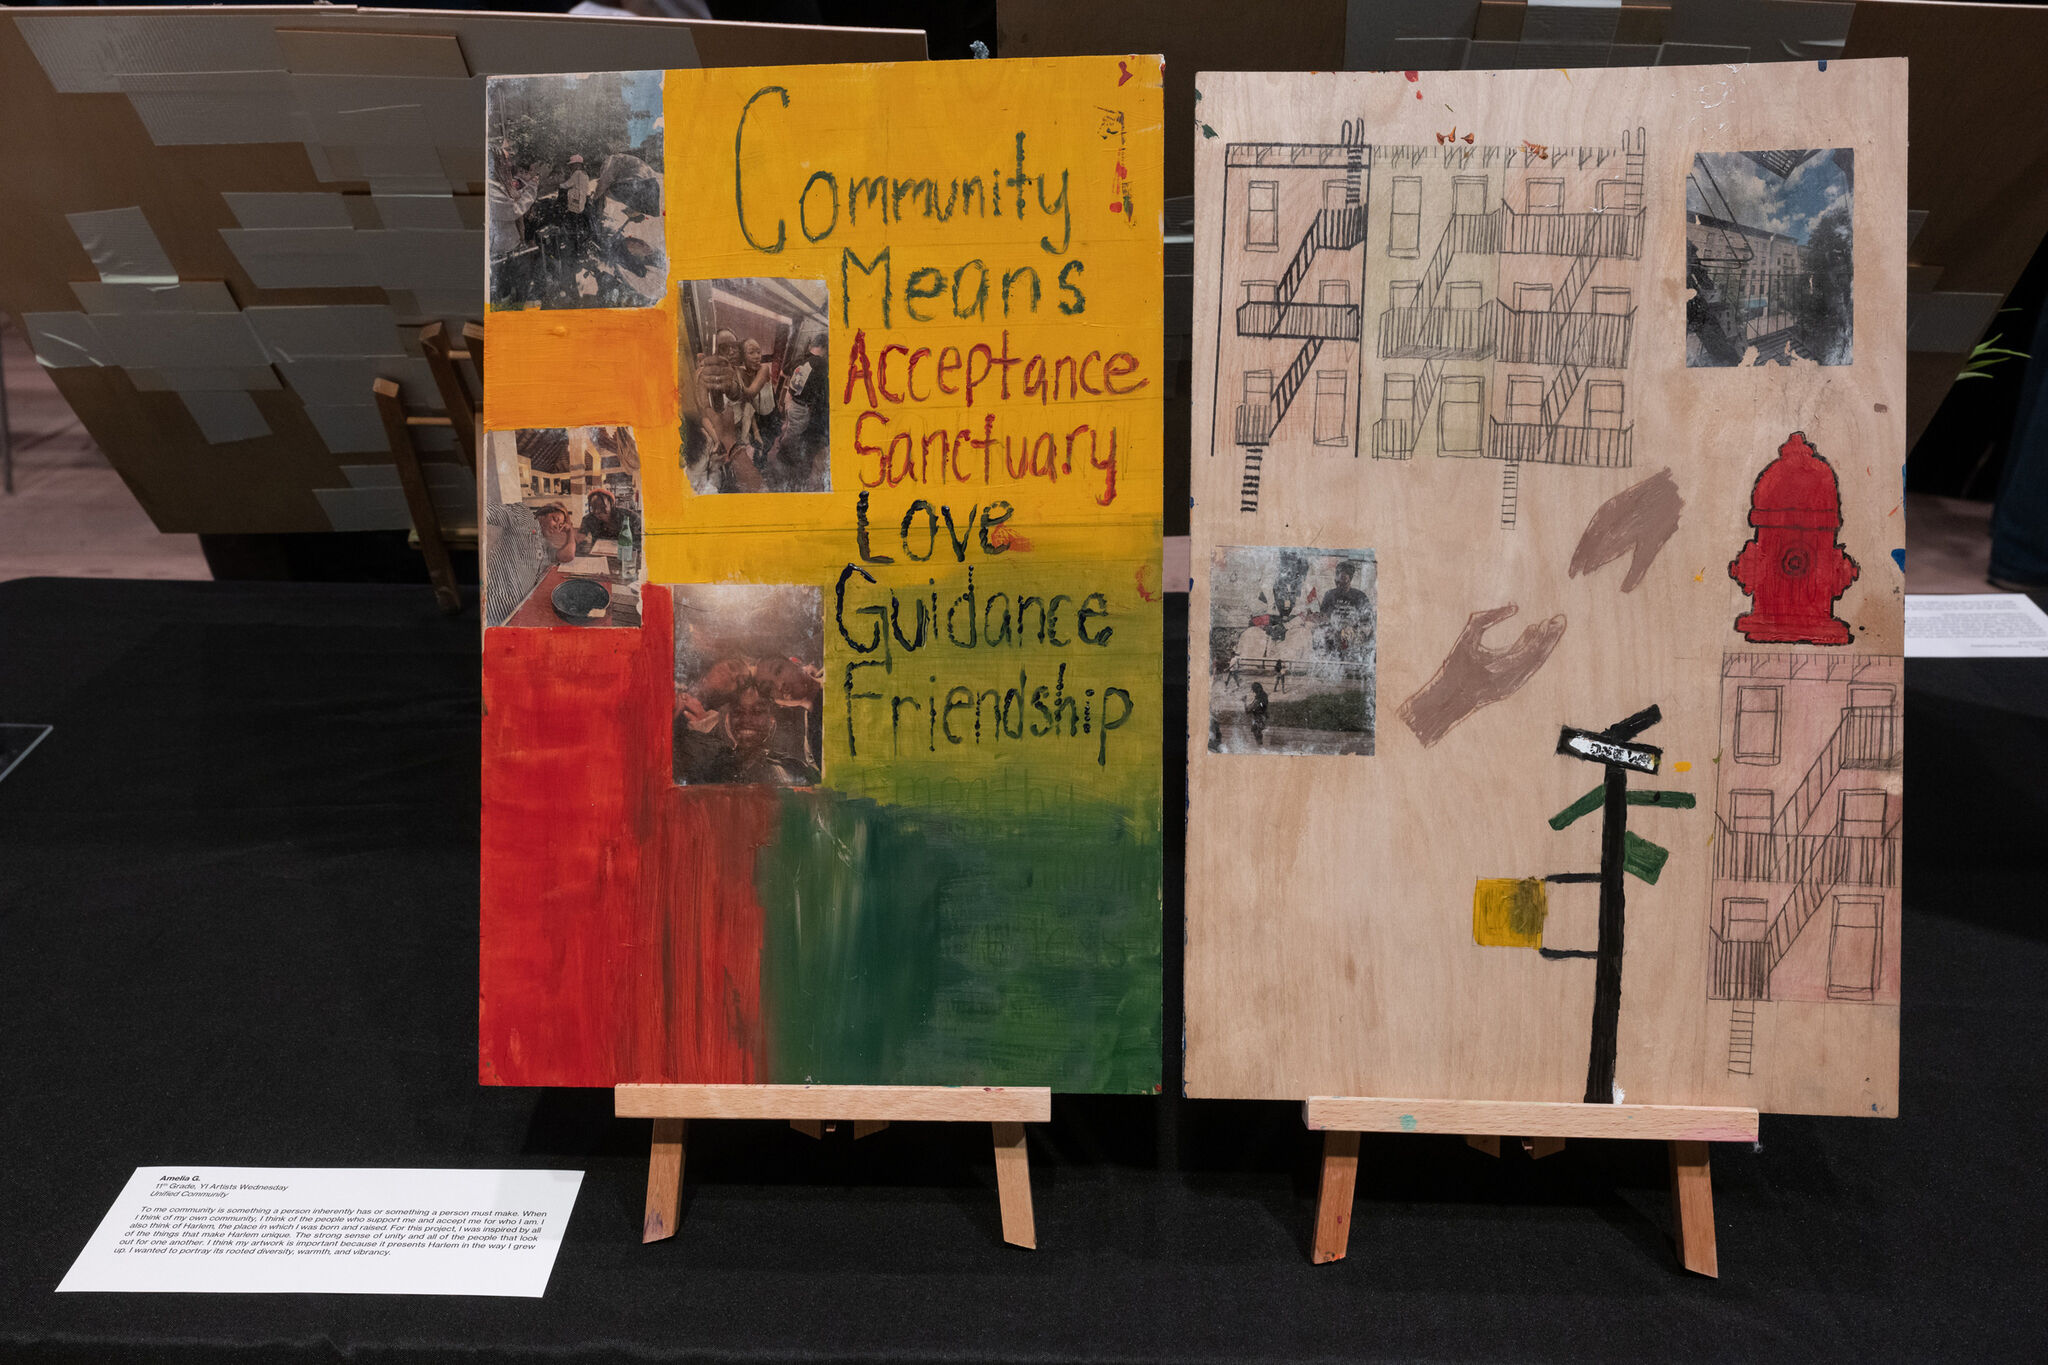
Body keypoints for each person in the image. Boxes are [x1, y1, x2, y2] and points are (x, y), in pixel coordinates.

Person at [575, 488, 638, 553]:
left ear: (611, 504)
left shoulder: (628, 516)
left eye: (602, 507)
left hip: (625, 553)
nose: (597, 511)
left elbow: (643, 537)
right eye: (593, 508)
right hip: (599, 554)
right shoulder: (589, 519)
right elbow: (579, 537)